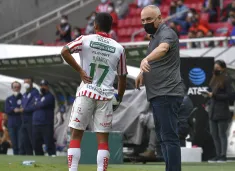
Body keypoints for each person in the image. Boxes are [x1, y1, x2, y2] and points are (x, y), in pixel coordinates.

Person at [61, 12, 127, 171]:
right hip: (106, 96)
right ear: (111, 28)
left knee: (76, 135)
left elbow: (64, 51)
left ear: (95, 26)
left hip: (86, 93)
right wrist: (119, 97)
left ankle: (73, 169)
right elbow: (122, 76)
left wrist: (80, 71)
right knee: (103, 140)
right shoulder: (119, 48)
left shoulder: (85, 39)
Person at [135, 5, 184, 171]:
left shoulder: (166, 33)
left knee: (169, 137)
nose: (146, 23)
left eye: (149, 19)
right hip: (158, 94)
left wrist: (145, 60)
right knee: (163, 138)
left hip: (167, 93)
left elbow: (163, 49)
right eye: (143, 20)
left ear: (159, 18)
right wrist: (143, 72)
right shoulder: (153, 37)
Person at [206, 60, 233, 163]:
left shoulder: (227, 79)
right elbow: (211, 93)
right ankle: (217, 155)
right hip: (212, 111)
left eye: (217, 67)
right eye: (214, 67)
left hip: (222, 111)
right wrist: (208, 101)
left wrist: (215, 96)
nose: (215, 69)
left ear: (222, 68)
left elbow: (230, 96)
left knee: (222, 134)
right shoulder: (213, 79)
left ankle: (223, 155)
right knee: (214, 134)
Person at [32, 80, 56, 156]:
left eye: (45, 85)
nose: (43, 87)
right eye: (41, 85)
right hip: (36, 123)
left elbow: (41, 105)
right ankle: (39, 157)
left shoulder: (50, 96)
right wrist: (37, 104)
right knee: (36, 143)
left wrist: (37, 104)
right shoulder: (37, 96)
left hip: (46, 123)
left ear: (47, 86)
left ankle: (52, 156)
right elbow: (33, 105)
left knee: (48, 142)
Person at [19, 77, 40, 155]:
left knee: (33, 139)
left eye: (28, 82)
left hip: (31, 119)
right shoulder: (24, 94)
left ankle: (38, 155)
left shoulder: (35, 92)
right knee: (25, 139)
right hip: (24, 119)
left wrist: (25, 109)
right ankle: (29, 155)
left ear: (31, 83)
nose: (26, 84)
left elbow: (36, 105)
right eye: (25, 82)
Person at [4, 81, 22, 155]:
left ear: (20, 88)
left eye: (18, 87)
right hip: (11, 123)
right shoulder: (9, 99)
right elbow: (7, 110)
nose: (16, 89)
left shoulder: (23, 97)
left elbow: (23, 108)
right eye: (15, 87)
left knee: (20, 143)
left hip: (20, 123)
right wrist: (14, 109)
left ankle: (21, 158)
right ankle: (16, 158)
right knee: (14, 143)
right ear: (12, 88)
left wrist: (13, 108)